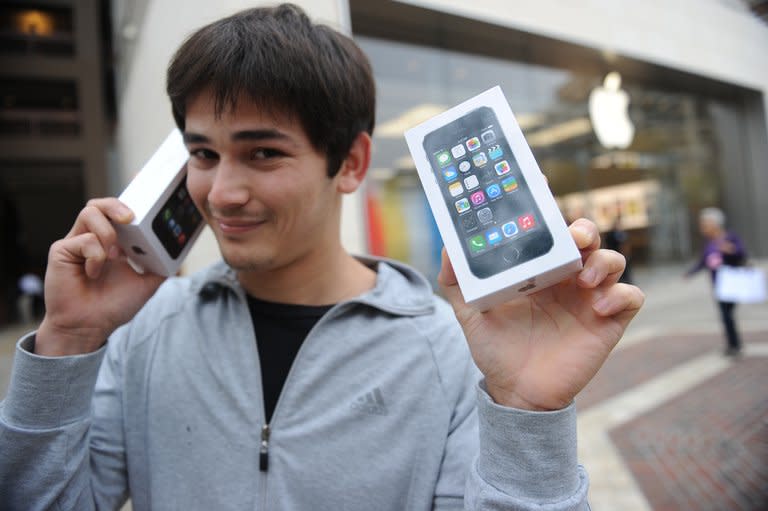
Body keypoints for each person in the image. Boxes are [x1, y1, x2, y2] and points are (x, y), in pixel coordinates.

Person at [0, 5, 644, 510]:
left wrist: (527, 416)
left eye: (263, 153)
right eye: (203, 153)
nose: (220, 193)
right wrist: (70, 341)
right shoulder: (146, 330)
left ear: (352, 163)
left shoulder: (450, 348)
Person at [686, 207, 747, 356]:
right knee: (726, 316)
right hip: (718, 285)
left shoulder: (729, 237)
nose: (703, 227)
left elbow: (742, 254)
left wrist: (730, 250)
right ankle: (733, 344)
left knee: (727, 315)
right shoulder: (708, 242)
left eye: (705, 224)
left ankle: (735, 344)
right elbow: (703, 261)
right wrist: (690, 273)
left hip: (732, 283)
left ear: (715, 224)